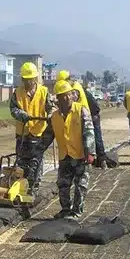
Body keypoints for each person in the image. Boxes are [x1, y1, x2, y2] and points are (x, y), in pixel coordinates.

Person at [45, 79, 95, 219]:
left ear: (72, 95)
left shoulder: (81, 110)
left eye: (68, 95)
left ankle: (77, 211)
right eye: (62, 96)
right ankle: (65, 210)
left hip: (80, 155)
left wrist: (90, 152)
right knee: (63, 184)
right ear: (57, 100)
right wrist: (37, 150)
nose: (66, 98)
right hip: (65, 155)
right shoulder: (55, 116)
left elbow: (89, 132)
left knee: (81, 184)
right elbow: (48, 135)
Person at [9, 61, 53, 194]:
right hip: (22, 133)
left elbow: (50, 107)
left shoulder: (44, 92)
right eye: (26, 80)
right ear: (22, 79)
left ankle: (34, 188)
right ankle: (21, 188)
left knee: (36, 162)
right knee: (21, 161)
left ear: (35, 79)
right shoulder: (17, 92)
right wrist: (23, 115)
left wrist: (50, 115)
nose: (28, 83)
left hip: (38, 133)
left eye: (31, 80)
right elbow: (13, 109)